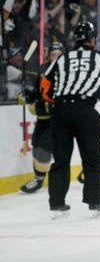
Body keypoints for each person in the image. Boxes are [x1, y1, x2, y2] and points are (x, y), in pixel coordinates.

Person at [41, 22, 100, 218]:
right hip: (85, 111)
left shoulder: (62, 58)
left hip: (60, 112)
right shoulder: (99, 58)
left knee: (60, 161)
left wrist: (57, 100)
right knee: (92, 160)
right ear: (93, 39)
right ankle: (94, 203)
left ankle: (57, 204)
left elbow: (45, 86)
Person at [17, 43, 64, 193]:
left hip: (58, 121)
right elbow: (37, 90)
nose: (55, 57)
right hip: (43, 119)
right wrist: (27, 96)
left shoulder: (67, 72)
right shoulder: (43, 71)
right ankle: (38, 177)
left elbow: (64, 99)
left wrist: (44, 107)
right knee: (36, 144)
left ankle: (40, 179)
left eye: (58, 55)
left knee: (44, 147)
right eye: (52, 55)